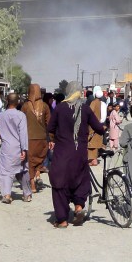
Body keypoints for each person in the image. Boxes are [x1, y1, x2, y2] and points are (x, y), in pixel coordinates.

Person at [46, 81, 105, 228]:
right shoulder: (85, 109)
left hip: (62, 153)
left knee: (59, 183)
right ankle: (78, 207)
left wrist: (53, 138)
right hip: (80, 154)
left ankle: (62, 220)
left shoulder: (60, 108)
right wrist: (104, 129)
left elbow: (50, 128)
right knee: (80, 180)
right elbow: (99, 128)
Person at [0, 93, 31, 203]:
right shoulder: (21, 116)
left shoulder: (1, 116)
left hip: (6, 147)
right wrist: (24, 149)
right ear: (18, 102)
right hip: (18, 147)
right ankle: (27, 195)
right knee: (24, 170)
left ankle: (6, 195)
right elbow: (23, 134)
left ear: (7, 101)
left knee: (5, 172)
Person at [21, 83, 52, 193]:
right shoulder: (45, 106)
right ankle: (37, 175)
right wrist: (51, 139)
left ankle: (32, 185)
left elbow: (21, 123)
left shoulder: (25, 106)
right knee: (39, 160)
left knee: (30, 162)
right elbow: (50, 124)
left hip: (29, 139)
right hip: (42, 139)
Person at [88, 86, 106, 166]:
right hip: (99, 124)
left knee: (91, 143)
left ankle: (93, 160)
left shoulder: (93, 103)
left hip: (93, 125)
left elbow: (90, 113)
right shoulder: (102, 103)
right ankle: (94, 159)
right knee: (95, 142)